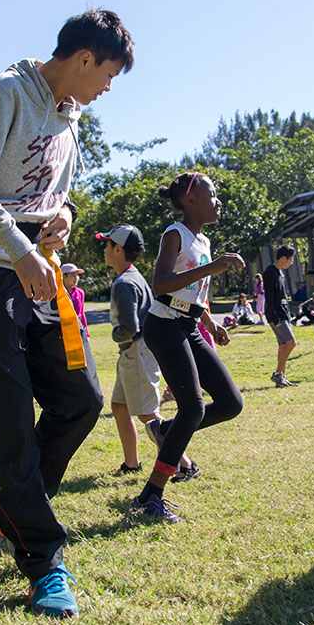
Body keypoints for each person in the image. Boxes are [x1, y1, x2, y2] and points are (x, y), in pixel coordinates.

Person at [0, 8, 133, 618]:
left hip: (42, 272)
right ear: (84, 58)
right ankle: (44, 559)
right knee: (10, 415)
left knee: (81, 399)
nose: (108, 88)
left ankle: (12, 506)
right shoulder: (5, 94)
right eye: (109, 75)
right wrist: (18, 248)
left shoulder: (72, 118)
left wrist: (64, 218)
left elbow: (58, 193)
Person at [133, 171, 245, 521]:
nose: (217, 200)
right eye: (212, 194)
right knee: (192, 408)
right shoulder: (175, 234)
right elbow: (161, 284)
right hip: (164, 324)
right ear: (191, 199)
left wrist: (210, 323)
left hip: (189, 324)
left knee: (231, 403)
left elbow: (194, 293)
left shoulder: (204, 240)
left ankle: (167, 431)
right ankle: (150, 496)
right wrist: (213, 267)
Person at [100, 224, 198, 480]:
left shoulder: (124, 283)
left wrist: (116, 337)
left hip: (138, 351)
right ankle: (131, 463)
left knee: (147, 413)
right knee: (119, 406)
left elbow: (130, 328)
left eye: (108, 244)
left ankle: (185, 464)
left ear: (119, 249)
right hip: (136, 351)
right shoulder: (134, 277)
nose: (104, 249)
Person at [263, 245, 297, 386]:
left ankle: (281, 377)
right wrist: (274, 317)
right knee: (291, 342)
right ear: (283, 258)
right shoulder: (270, 272)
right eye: (291, 259)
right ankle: (277, 374)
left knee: (283, 344)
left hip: (283, 313)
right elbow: (270, 298)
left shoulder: (280, 272)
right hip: (276, 314)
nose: (291, 262)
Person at [60, 263, 88, 337]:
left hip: (78, 328)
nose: (76, 278)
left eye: (77, 275)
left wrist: (86, 334)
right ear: (64, 276)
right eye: (73, 275)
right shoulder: (58, 293)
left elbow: (82, 314)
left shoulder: (80, 293)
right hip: (62, 329)